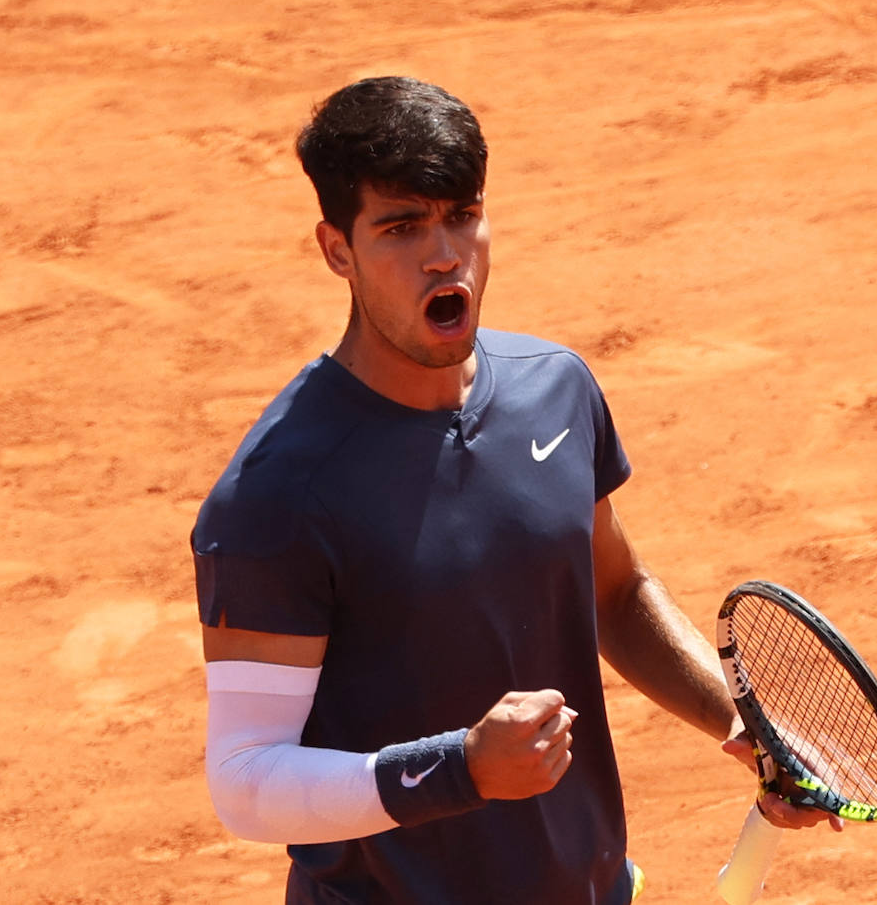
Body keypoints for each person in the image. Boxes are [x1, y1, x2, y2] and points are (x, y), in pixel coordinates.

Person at [191, 76, 840, 905]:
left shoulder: (555, 390)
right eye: (400, 227)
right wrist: (459, 769)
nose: (443, 254)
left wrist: (743, 729)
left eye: (462, 215)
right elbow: (246, 781)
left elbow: (615, 590)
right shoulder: (278, 496)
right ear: (336, 250)